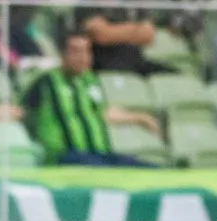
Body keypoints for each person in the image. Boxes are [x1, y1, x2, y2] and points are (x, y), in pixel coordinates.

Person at [22, 32, 160, 166]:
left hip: (99, 154)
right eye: (76, 51)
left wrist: (140, 118)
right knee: (105, 171)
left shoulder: (90, 81)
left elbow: (102, 112)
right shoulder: (46, 82)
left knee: (152, 170)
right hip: (65, 156)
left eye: (87, 51)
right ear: (63, 54)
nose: (83, 57)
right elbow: (21, 110)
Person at [74, 1, 177, 76]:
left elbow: (148, 35)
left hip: (136, 60)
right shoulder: (90, 3)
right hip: (104, 62)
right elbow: (101, 34)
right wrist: (135, 30)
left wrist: (113, 30)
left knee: (174, 76)